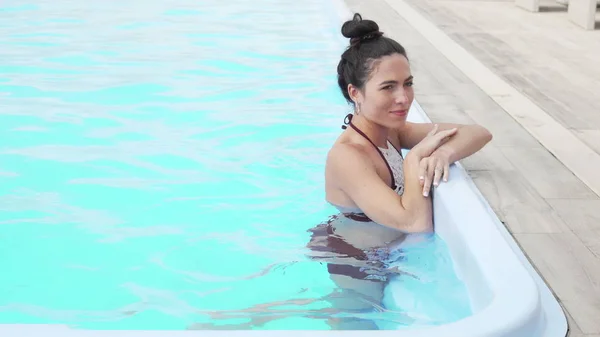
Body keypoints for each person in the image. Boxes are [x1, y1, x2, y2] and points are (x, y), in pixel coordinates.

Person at [307, 13, 493, 329]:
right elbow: (415, 221)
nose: (403, 98)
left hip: (384, 247)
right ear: (355, 93)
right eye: (388, 87)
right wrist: (414, 159)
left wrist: (444, 151)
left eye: (407, 84)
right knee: (358, 323)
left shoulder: (392, 130)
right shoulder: (348, 156)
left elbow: (478, 132)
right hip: (354, 259)